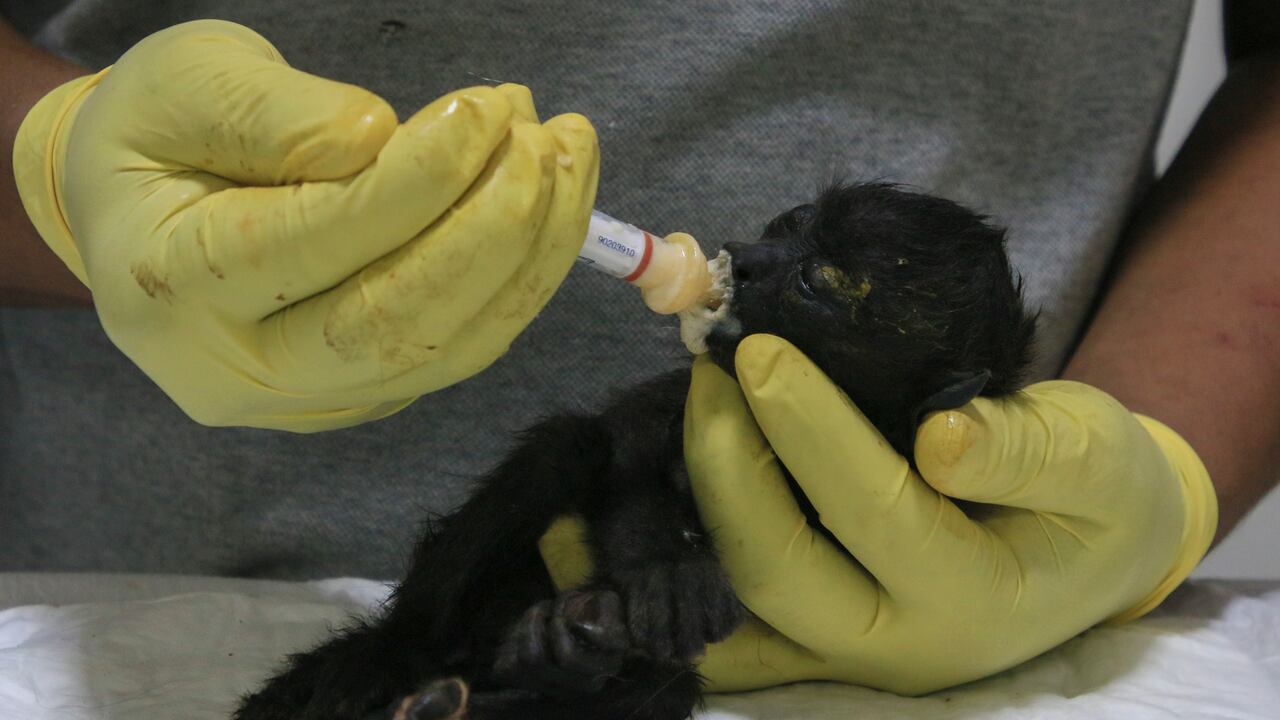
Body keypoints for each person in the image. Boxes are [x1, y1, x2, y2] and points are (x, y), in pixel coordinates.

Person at [2, 0, 1277, 697]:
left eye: (817, 276)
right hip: (143, 593)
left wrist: (1159, 468)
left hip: (985, 638)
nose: (755, 263)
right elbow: (610, 457)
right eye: (786, 237)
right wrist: (64, 171)